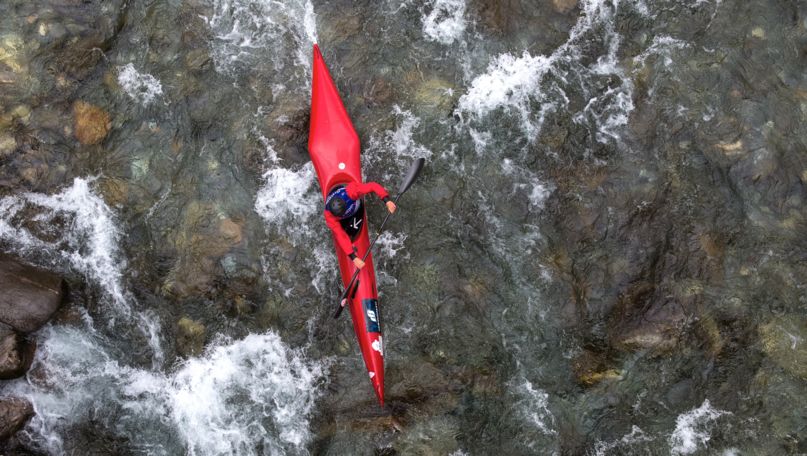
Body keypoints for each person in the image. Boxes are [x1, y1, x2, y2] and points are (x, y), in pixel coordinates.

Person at [324, 180, 396, 269]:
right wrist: (353, 258)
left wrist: (387, 200)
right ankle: (350, 248)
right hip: (341, 215)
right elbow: (340, 235)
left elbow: (373, 186)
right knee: (343, 234)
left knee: (352, 232)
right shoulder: (329, 216)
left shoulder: (351, 191)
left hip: (356, 208)